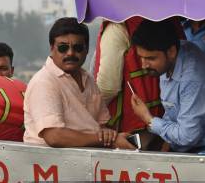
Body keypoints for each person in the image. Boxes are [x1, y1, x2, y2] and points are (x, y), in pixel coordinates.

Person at [23, 17, 134, 149]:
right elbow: (54, 136)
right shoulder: (44, 82)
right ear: (52, 48)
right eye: (63, 48)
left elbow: (102, 126)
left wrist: (112, 138)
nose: (70, 53)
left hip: (87, 160)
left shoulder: (88, 79)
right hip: (51, 165)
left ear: (86, 50)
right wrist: (104, 139)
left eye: (78, 47)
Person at [130, 19, 205, 152]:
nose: (144, 65)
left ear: (171, 52)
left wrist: (148, 119)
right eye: (141, 57)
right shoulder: (170, 59)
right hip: (183, 143)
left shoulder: (192, 76)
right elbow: (173, 110)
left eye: (151, 58)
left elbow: (188, 136)